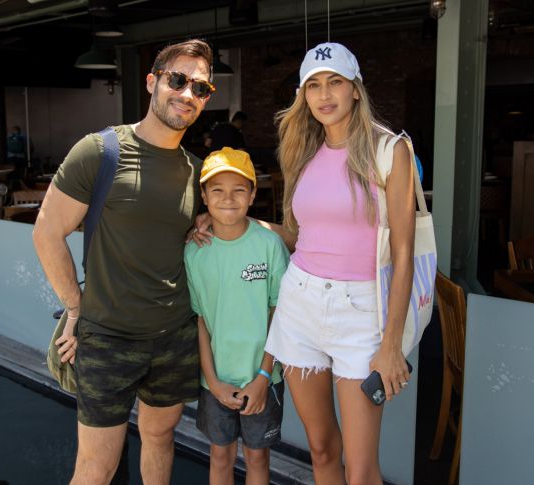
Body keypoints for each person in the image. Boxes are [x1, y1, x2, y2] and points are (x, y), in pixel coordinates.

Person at [32, 39, 218, 485]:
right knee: (97, 468)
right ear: (153, 82)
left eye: (201, 88)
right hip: (108, 339)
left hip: (174, 338)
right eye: (178, 80)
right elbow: (46, 232)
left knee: (161, 439)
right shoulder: (100, 152)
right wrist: (76, 307)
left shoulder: (198, 171)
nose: (188, 94)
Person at [263, 42, 416, 484]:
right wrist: (236, 223)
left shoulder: (390, 150)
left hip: (362, 312)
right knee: (320, 448)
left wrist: (390, 345)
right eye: (313, 85)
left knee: (362, 469)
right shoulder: (301, 151)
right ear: (303, 95)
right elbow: (299, 236)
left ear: (355, 89)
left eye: (335, 82)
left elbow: (403, 253)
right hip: (300, 303)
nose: (324, 94)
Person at [184, 148, 289, 485]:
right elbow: (199, 320)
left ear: (253, 194)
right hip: (215, 379)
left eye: (239, 189)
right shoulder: (194, 252)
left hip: (263, 378)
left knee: (258, 458)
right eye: (216, 190)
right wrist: (212, 381)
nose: (228, 198)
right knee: (220, 455)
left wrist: (262, 376)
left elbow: (281, 313)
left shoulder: (270, 246)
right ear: (203, 196)